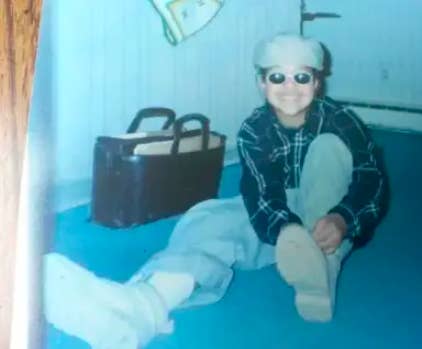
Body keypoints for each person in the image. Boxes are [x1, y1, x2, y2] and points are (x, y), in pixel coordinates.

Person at [44, 33, 386, 349]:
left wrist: (343, 218)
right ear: (261, 83)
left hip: (330, 209)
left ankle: (324, 262)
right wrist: (286, 232)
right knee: (206, 218)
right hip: (280, 214)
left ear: (318, 82)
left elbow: (371, 179)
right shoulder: (255, 128)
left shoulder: (342, 120)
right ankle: (145, 304)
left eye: (302, 77)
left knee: (328, 148)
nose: (290, 87)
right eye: (277, 77)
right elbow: (262, 193)